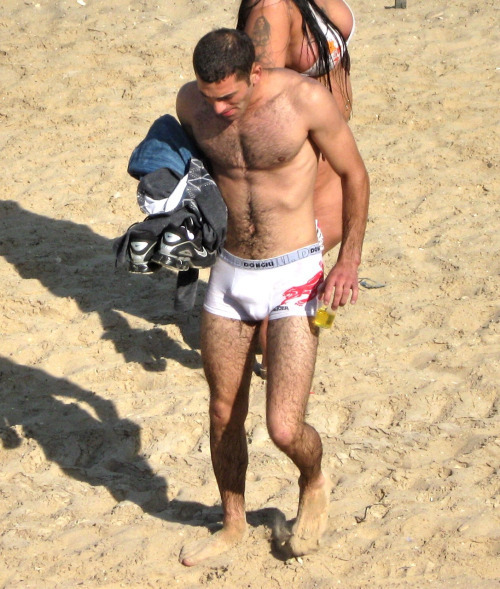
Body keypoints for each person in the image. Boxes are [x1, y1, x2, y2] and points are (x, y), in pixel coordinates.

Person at [176, 28, 369, 566]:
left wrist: (349, 261)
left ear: (255, 72)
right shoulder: (191, 104)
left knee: (284, 427)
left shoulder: (304, 100)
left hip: (295, 273)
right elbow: (189, 172)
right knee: (222, 411)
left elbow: (355, 174)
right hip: (230, 273)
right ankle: (233, 523)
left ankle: (313, 478)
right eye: (209, 96)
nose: (218, 109)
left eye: (228, 97)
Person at [237, 0, 356, 377]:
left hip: (327, 152)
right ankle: (282, 370)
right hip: (299, 166)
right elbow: (261, 103)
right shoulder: (271, 9)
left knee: (307, 261)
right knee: (290, 270)